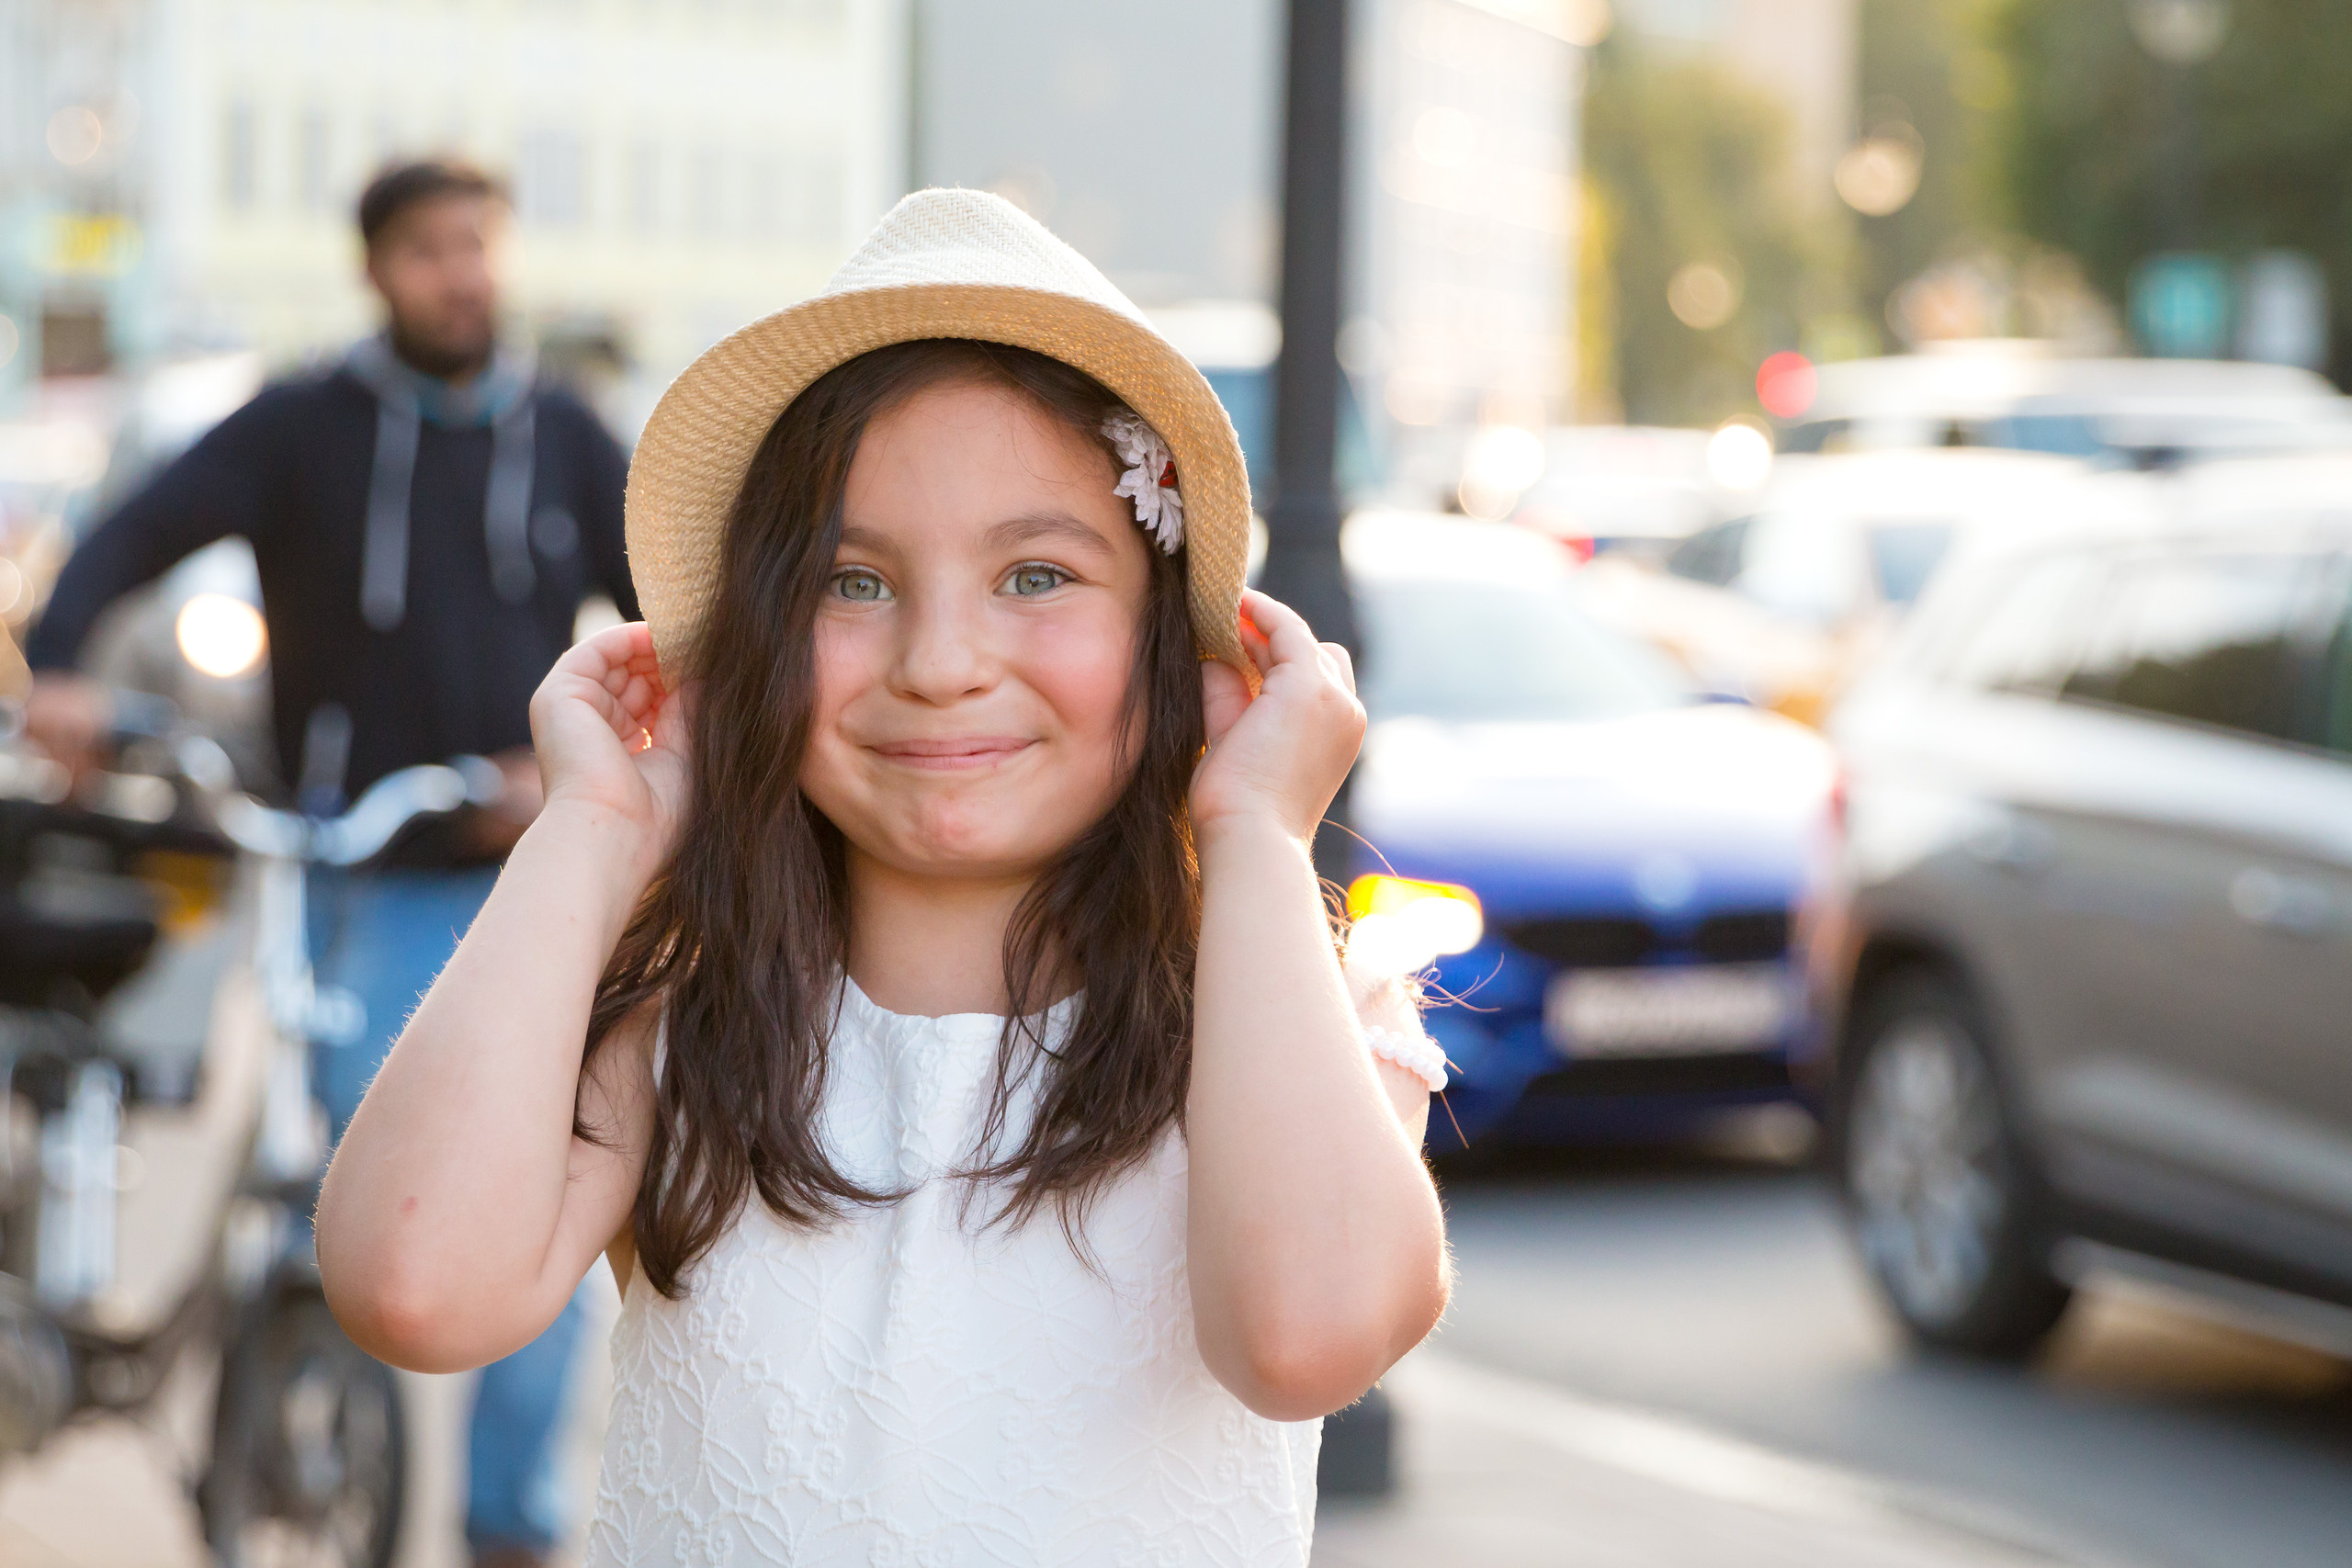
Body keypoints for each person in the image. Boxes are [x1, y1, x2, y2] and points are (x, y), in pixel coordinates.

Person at [313, 188, 1452, 1565]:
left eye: (1037, 576)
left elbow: (1306, 1336)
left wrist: (1259, 831)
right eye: (852, 584)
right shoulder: (681, 1036)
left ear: (1174, 652)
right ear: (755, 653)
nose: (940, 662)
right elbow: (411, 1287)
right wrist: (591, 831)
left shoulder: (1299, 1033)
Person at [22, 159, 636, 1568]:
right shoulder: (304, 425)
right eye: (428, 250)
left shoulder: (562, 433)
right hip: (351, 865)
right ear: (375, 270)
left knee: (546, 1184)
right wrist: (54, 665)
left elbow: (674, 618)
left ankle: (509, 1528)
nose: (460, 274)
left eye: (477, 244)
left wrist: (583, 764)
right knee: (366, 1154)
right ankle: (300, 1390)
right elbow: (135, 529)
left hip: (529, 875)